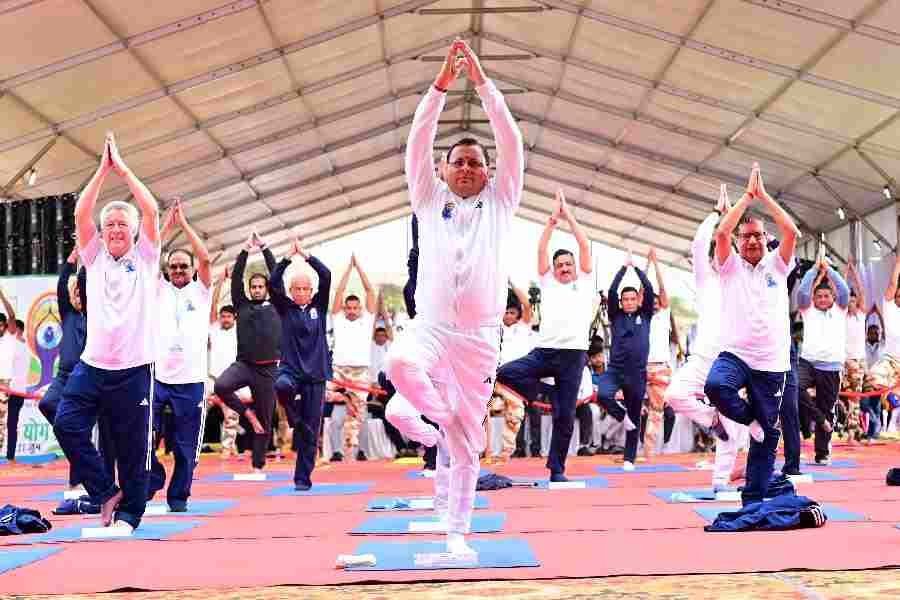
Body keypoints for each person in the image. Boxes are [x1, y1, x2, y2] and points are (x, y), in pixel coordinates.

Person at [385, 38, 523, 558]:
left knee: (467, 446)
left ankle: (457, 534)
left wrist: (483, 85)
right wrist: (441, 86)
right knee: (400, 364)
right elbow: (417, 141)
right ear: (443, 169)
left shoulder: (501, 201)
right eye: (458, 162)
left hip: (479, 338)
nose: (466, 168)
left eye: (475, 162)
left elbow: (511, 140)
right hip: (431, 327)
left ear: (488, 171)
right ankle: (439, 420)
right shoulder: (427, 197)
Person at [53, 132, 161, 532]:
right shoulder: (94, 256)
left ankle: (130, 514)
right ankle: (104, 491)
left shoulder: (146, 257)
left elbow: (151, 211)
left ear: (133, 232)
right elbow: (81, 213)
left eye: (122, 224)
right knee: (66, 423)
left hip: (134, 369)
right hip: (92, 366)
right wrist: (102, 170)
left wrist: (124, 170)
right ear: (101, 233)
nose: (116, 229)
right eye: (109, 224)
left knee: (133, 448)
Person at [704, 164, 799, 507]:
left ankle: (754, 501)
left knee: (766, 439)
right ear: (739, 242)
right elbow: (721, 234)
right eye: (746, 236)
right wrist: (746, 197)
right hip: (736, 354)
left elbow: (792, 232)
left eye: (758, 235)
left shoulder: (778, 264)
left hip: (772, 362)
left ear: (765, 238)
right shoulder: (729, 267)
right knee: (716, 386)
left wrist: (764, 197)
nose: (753, 240)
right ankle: (751, 421)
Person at [495, 189, 592, 481]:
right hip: (545, 351)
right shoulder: (547, 282)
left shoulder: (585, 281)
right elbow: (541, 250)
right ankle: (548, 393)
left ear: (575, 267)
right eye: (559, 265)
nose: (564, 268)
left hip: (573, 356)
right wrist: (551, 222)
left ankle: (557, 469)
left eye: (568, 264)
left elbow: (583, 244)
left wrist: (569, 216)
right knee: (506, 372)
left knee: (565, 416)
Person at [663, 184, 741, 491]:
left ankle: (721, 482)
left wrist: (733, 220)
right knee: (673, 395)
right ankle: (710, 420)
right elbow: (698, 245)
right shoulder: (706, 279)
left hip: (732, 363)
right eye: (716, 254)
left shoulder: (742, 279)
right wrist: (716, 214)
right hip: (701, 359)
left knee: (734, 427)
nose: (719, 258)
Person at [146, 199, 212, 511]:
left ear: (192, 269)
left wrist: (183, 224)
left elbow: (205, 257)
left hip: (192, 381)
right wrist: (165, 227)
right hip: (158, 379)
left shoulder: (202, 291)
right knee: (143, 437)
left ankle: (178, 496)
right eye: (173, 266)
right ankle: (152, 479)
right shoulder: (158, 289)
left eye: (184, 266)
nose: (178, 270)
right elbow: (148, 255)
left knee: (186, 447)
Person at [214, 232, 281, 473]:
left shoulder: (276, 305)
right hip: (244, 365)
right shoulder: (241, 305)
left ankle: (258, 466)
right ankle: (246, 413)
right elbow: (236, 279)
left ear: (267, 288)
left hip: (268, 370)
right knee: (221, 386)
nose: (257, 289)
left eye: (261, 286)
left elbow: (276, 275)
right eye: (253, 286)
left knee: (265, 421)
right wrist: (244, 251)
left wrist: (264, 248)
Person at [269, 239, 331, 491]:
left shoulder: (319, 306)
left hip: (316, 375)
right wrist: (286, 258)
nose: (302, 292)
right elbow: (273, 282)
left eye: (306, 289)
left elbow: (326, 275)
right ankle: (294, 419)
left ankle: (302, 479)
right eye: (297, 289)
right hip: (291, 371)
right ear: (291, 291)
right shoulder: (285, 308)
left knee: (310, 432)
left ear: (311, 291)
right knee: (281, 386)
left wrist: (306, 256)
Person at [594, 250, 657, 471]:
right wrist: (624, 268)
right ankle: (622, 416)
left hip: (637, 373)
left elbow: (649, 289)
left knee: (635, 413)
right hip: (615, 370)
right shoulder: (616, 315)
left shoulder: (645, 314)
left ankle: (629, 458)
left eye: (632, 299)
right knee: (603, 395)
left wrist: (637, 268)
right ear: (621, 302)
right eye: (625, 299)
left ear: (637, 300)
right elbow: (612, 290)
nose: (629, 302)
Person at [796, 258, 849, 465]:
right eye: (819, 296)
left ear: (833, 297)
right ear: (814, 299)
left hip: (832, 366)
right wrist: (814, 270)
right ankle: (819, 419)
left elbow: (844, 290)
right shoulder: (807, 309)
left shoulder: (840, 309)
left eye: (827, 296)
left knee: (827, 408)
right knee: (795, 388)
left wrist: (830, 271)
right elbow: (802, 292)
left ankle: (822, 453)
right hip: (808, 363)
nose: (823, 299)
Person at [329, 255, 377, 461]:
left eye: (355, 308)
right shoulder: (338, 319)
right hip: (339, 371)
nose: (351, 311)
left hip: (360, 371)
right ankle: (336, 451)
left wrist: (359, 268)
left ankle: (357, 453)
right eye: (348, 307)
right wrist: (348, 269)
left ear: (360, 308)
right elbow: (339, 292)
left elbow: (370, 291)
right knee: (331, 407)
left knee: (358, 415)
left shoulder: (367, 319)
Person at [486, 280, 533, 463]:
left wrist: (512, 284)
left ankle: (506, 452)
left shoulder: (523, 327)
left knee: (515, 415)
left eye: (512, 312)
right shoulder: (494, 328)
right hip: (495, 379)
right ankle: (486, 451)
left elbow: (527, 305)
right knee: (486, 410)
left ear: (518, 314)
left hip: (516, 382)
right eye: (505, 312)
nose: (508, 316)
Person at [643, 249, 671, 459]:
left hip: (660, 367)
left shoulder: (663, 315)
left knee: (656, 410)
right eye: (649, 302)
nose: (654, 304)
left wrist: (656, 264)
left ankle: (649, 451)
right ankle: (636, 449)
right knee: (638, 408)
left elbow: (662, 289)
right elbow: (640, 292)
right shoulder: (642, 317)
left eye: (656, 301)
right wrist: (646, 266)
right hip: (641, 368)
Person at [0, 287, 19, 457]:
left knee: (1, 421)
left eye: (0, 325)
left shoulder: (10, 335)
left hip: (4, 383)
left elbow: (12, 315)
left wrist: (2, 296)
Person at [5, 320, 27, 461]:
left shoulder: (17, 346)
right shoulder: (20, 346)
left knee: (11, 424)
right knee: (12, 424)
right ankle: (10, 456)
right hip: (15, 390)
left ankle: (10, 456)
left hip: (13, 391)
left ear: (18, 330)